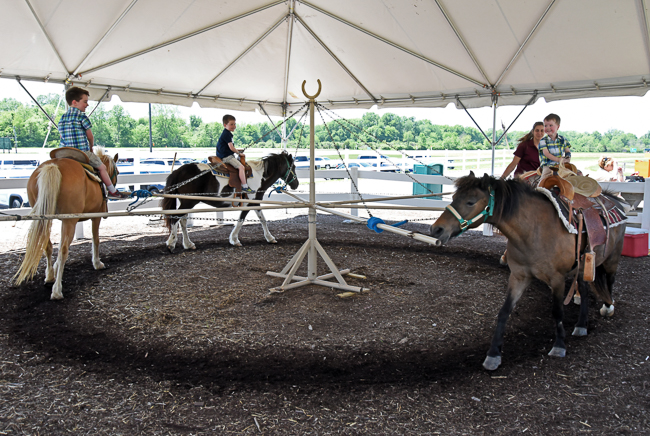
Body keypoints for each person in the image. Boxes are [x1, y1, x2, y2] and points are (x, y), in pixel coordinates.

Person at [58, 87, 129, 199]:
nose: (87, 105)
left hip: (64, 153)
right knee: (102, 168)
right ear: (74, 102)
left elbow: (62, 136)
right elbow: (90, 136)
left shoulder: (62, 118)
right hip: (81, 152)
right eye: (85, 102)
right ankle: (112, 191)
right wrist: (91, 147)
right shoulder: (82, 116)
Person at [216, 114, 253, 193]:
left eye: (234, 124)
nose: (234, 126)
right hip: (226, 156)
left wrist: (237, 150)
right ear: (225, 125)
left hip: (225, 154)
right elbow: (231, 148)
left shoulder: (227, 133)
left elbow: (230, 147)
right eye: (231, 124)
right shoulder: (227, 134)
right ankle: (244, 186)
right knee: (241, 167)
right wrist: (239, 153)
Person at [538, 113, 571, 183]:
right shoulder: (543, 140)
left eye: (550, 125)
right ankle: (539, 191)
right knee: (543, 181)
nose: (548, 128)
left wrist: (567, 158)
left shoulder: (563, 139)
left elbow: (567, 150)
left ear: (558, 127)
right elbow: (546, 153)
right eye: (545, 125)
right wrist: (558, 159)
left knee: (571, 177)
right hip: (548, 166)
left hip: (560, 166)